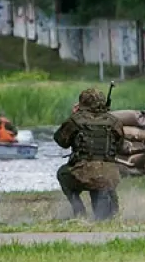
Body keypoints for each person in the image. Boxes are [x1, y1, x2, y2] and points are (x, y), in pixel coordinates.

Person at [53, 88, 124, 220]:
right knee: (104, 180)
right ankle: (111, 211)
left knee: (62, 173)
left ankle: (79, 211)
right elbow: (119, 147)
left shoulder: (76, 121)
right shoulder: (114, 122)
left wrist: (73, 116)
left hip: (83, 173)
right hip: (109, 175)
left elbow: (61, 140)